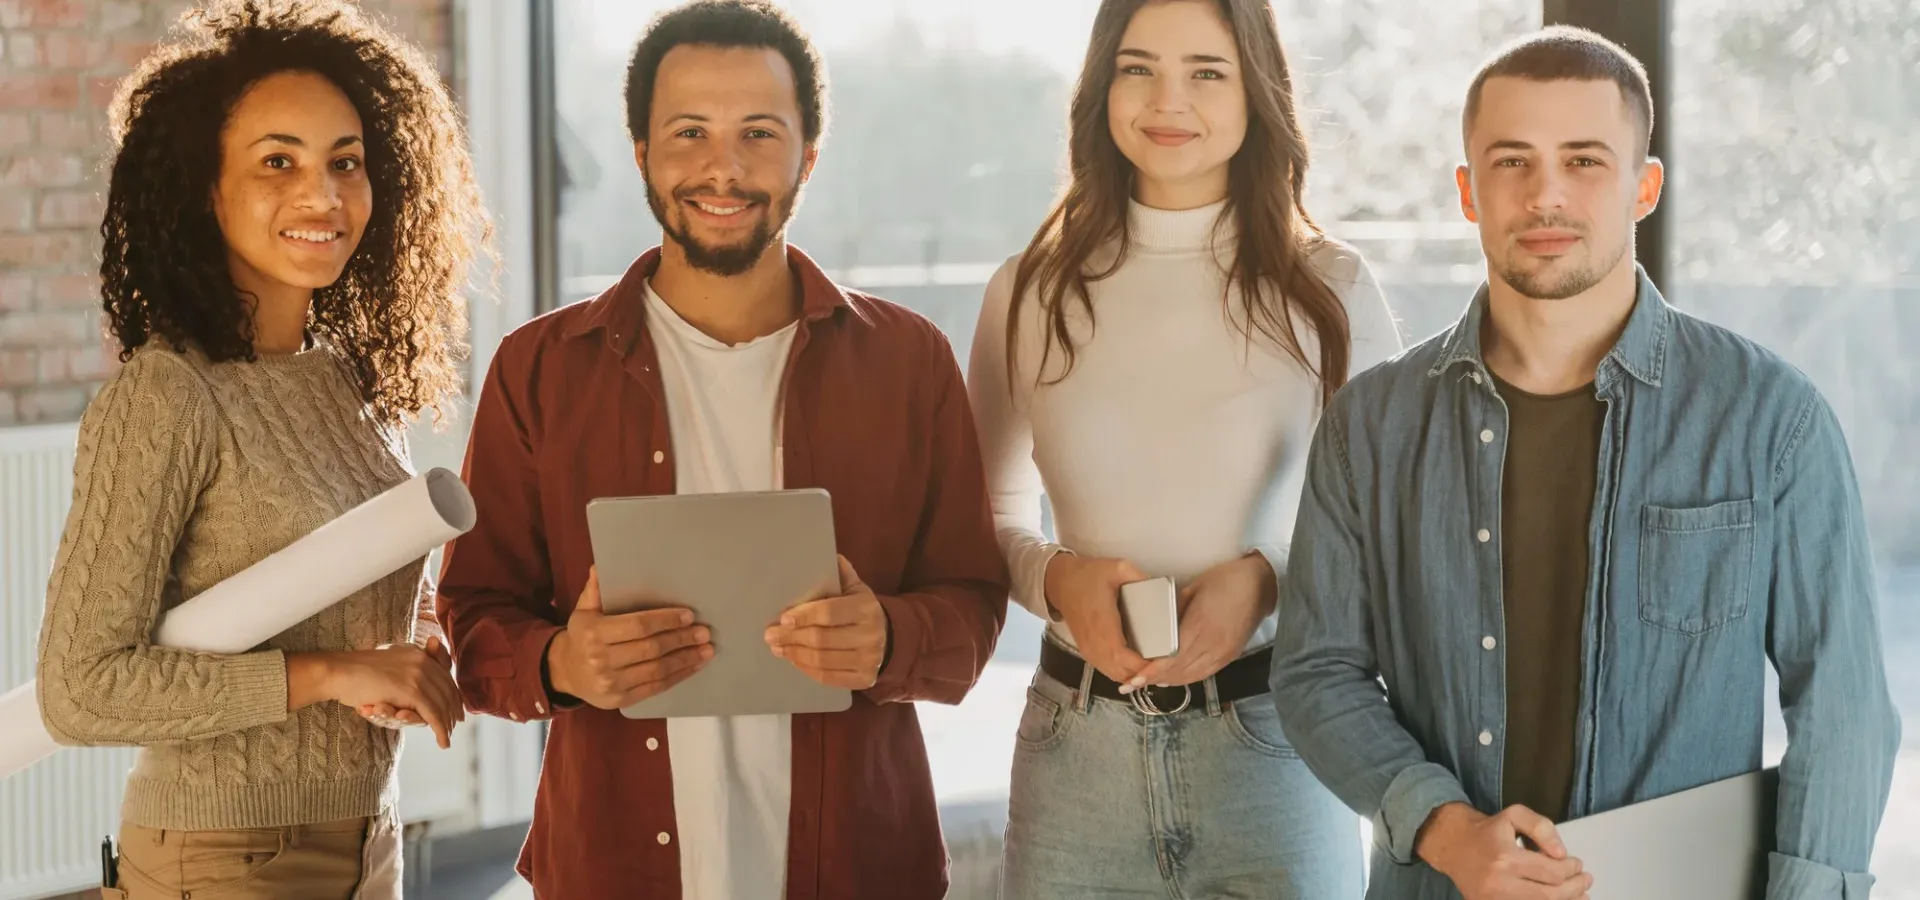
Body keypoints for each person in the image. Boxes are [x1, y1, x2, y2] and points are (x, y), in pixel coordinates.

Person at [1271, 25, 1901, 900]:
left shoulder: (1771, 420)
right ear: (1468, 190)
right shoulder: (1369, 424)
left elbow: (1843, 710)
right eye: (1513, 162)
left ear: (1644, 188)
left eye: (1584, 161)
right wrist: (1447, 834)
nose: (1546, 197)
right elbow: (1315, 671)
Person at [434, 2, 1010, 898]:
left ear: (808, 156)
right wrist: (560, 664)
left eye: (759, 133)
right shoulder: (540, 370)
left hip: (860, 866)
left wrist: (892, 639)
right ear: (641, 152)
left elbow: (974, 608)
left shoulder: (910, 360)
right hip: (612, 868)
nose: (722, 168)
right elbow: (472, 617)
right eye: (688, 132)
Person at [33, 1, 487, 897]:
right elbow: (80, 688)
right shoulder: (169, 396)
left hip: (371, 835)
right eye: (278, 161)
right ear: (206, 186)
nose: (322, 195)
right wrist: (335, 673)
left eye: (344, 163)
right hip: (225, 856)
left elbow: (377, 596)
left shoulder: (349, 384)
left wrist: (415, 649)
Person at [967, 0, 1401, 895]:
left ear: (1257, 92)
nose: (1170, 100)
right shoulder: (1028, 291)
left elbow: (1388, 524)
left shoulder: (1332, 290)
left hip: (1276, 742)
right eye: (1138, 67)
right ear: (1101, 86)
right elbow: (987, 513)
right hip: (1073, 754)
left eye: (1207, 70)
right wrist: (1055, 579)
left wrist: (1271, 577)